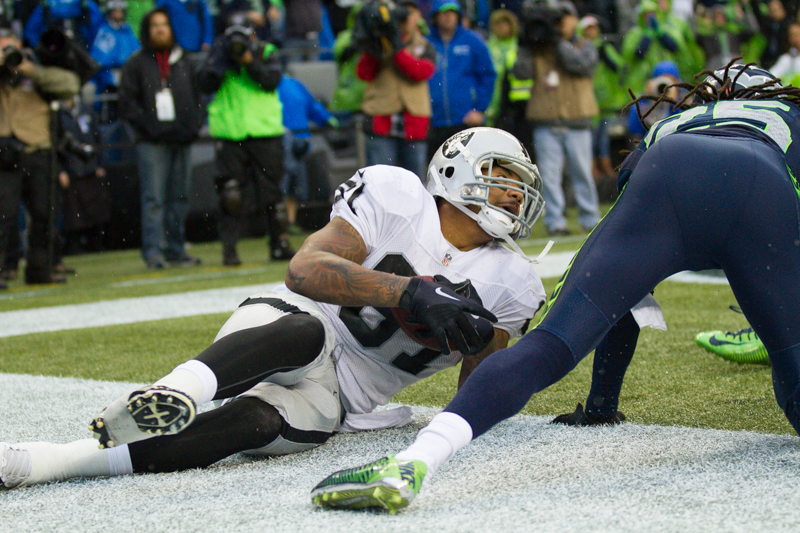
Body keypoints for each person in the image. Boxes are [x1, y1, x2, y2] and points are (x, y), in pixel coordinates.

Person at [311, 62, 800, 513]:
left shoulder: (674, 126)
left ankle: (415, 460)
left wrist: (604, 403)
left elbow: (626, 300)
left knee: (546, 348)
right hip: (763, 185)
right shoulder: (785, 119)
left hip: (667, 168)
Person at [0, 127, 547, 489]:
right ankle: (177, 390)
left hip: (349, 398)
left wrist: (482, 352)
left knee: (256, 425)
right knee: (304, 332)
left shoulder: (512, 280)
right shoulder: (398, 196)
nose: (515, 195)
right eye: (503, 178)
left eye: (521, 188)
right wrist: (405, 292)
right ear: (455, 168)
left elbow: (478, 391)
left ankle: (53, 462)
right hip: (296, 322)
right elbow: (305, 270)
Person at [197, 13, 292, 266]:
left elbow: (271, 81)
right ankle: (229, 251)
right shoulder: (220, 54)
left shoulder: (266, 51)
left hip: (265, 131)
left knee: (272, 193)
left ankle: (279, 244)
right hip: (231, 133)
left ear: (253, 35)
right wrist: (223, 61)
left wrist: (250, 61)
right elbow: (204, 84)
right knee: (230, 194)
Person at [119, 8, 204, 270]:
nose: (160, 29)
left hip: (182, 139)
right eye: (154, 25)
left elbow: (199, 98)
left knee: (179, 197)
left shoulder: (185, 60)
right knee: (153, 199)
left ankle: (176, 250)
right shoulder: (136, 63)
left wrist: (193, 126)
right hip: (151, 142)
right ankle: (153, 252)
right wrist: (149, 127)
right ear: (147, 30)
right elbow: (127, 103)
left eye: (164, 24)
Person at [0, 19, 81, 287]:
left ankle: (40, 269)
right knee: (4, 217)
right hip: (4, 153)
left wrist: (29, 69)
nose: (7, 55)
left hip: (39, 150)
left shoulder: (37, 66)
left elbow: (70, 84)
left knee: (45, 214)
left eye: (10, 48)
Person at [512, 0, 600, 236]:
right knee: (549, 177)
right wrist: (525, 45)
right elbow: (520, 72)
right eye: (554, 20)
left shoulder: (585, 44)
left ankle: (590, 218)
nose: (558, 23)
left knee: (582, 172)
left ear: (574, 20)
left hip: (577, 120)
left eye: (562, 18)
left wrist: (558, 40)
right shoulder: (537, 48)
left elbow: (580, 65)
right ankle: (555, 222)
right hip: (546, 120)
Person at [357, 0, 436, 181]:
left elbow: (420, 71)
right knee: (380, 183)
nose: (404, 18)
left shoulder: (425, 45)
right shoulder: (379, 42)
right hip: (381, 119)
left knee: (414, 184)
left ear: (418, 16)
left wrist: (396, 48)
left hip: (414, 122)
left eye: (410, 12)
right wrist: (376, 45)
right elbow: (363, 73)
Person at [426, 0, 495, 163]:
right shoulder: (426, 43)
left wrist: (479, 109)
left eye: (452, 12)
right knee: (436, 174)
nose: (448, 17)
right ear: (435, 17)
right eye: (443, 13)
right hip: (433, 122)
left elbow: (488, 76)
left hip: (465, 122)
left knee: (467, 172)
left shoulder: (473, 41)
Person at [277, 74, 337, 234]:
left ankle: (288, 221)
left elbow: (311, 106)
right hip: (277, 142)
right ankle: (277, 222)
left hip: (299, 143)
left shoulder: (294, 85)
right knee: (280, 185)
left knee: (293, 186)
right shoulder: (288, 85)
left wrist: (326, 119)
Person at [89, 0, 140, 112]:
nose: (118, 14)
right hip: (108, 78)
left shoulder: (128, 31)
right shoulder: (104, 31)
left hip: (126, 76)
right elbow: (98, 56)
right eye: (115, 11)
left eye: (120, 11)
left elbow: (136, 52)